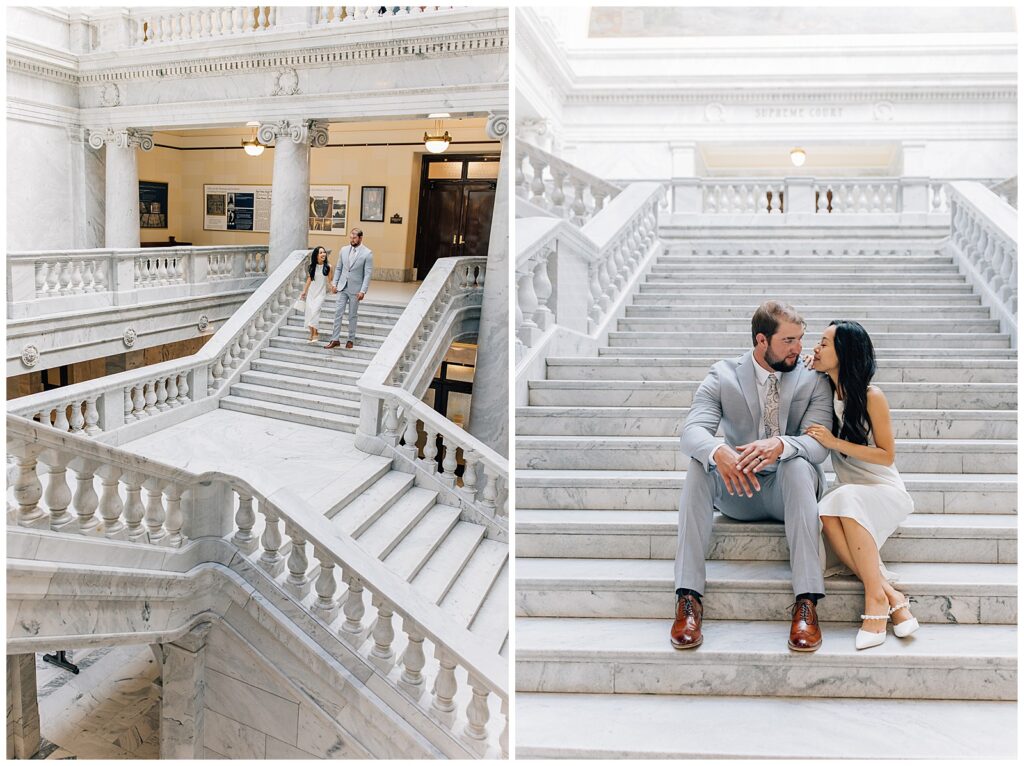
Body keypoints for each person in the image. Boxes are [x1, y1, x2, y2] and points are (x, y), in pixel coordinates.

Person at [671, 300, 833, 652]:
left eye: (801, 339)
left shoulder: (813, 379)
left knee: (797, 462)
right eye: (788, 340)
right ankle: (688, 598)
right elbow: (691, 432)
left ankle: (807, 602)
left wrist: (782, 445)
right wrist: (720, 452)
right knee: (700, 464)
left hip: (790, 488)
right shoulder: (723, 374)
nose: (799, 348)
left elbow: (819, 447)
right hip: (738, 487)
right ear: (762, 340)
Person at [804, 321, 918, 650]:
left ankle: (874, 602)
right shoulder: (824, 390)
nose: (816, 348)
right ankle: (890, 593)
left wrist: (833, 442)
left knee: (846, 499)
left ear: (844, 352)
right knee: (825, 510)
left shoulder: (871, 395)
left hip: (882, 489)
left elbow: (886, 455)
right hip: (851, 489)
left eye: (824, 343)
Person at [325, 228, 373, 350]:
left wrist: (363, 291)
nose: (352, 240)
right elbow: (339, 268)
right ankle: (335, 339)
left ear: (360, 238)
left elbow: (367, 274)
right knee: (338, 313)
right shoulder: (344, 250)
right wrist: (334, 283)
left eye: (354, 238)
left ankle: (350, 339)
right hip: (342, 287)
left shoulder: (367, 253)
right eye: (351, 237)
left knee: (352, 315)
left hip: (356, 289)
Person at [299, 246, 331, 343]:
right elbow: (309, 280)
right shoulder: (312, 267)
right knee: (309, 313)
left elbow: (330, 281)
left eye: (324, 252)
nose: (323, 254)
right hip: (311, 293)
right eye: (321, 253)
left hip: (321, 293)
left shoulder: (328, 267)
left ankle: (316, 333)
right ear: (316, 255)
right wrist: (304, 291)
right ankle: (312, 333)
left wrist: (333, 287)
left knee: (315, 311)